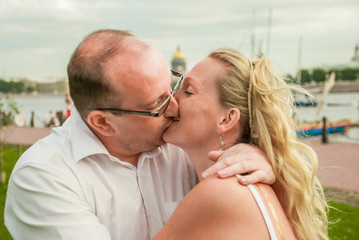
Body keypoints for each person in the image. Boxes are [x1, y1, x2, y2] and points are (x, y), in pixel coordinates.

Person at [4, 30, 275, 240]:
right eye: (156, 104)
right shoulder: (44, 176)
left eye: (173, 86)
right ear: (103, 122)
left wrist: (252, 149)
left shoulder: (182, 145)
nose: (175, 106)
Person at [156, 48, 328, 239]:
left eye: (188, 91)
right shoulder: (247, 186)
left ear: (227, 120)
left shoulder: (219, 192)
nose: (172, 99)